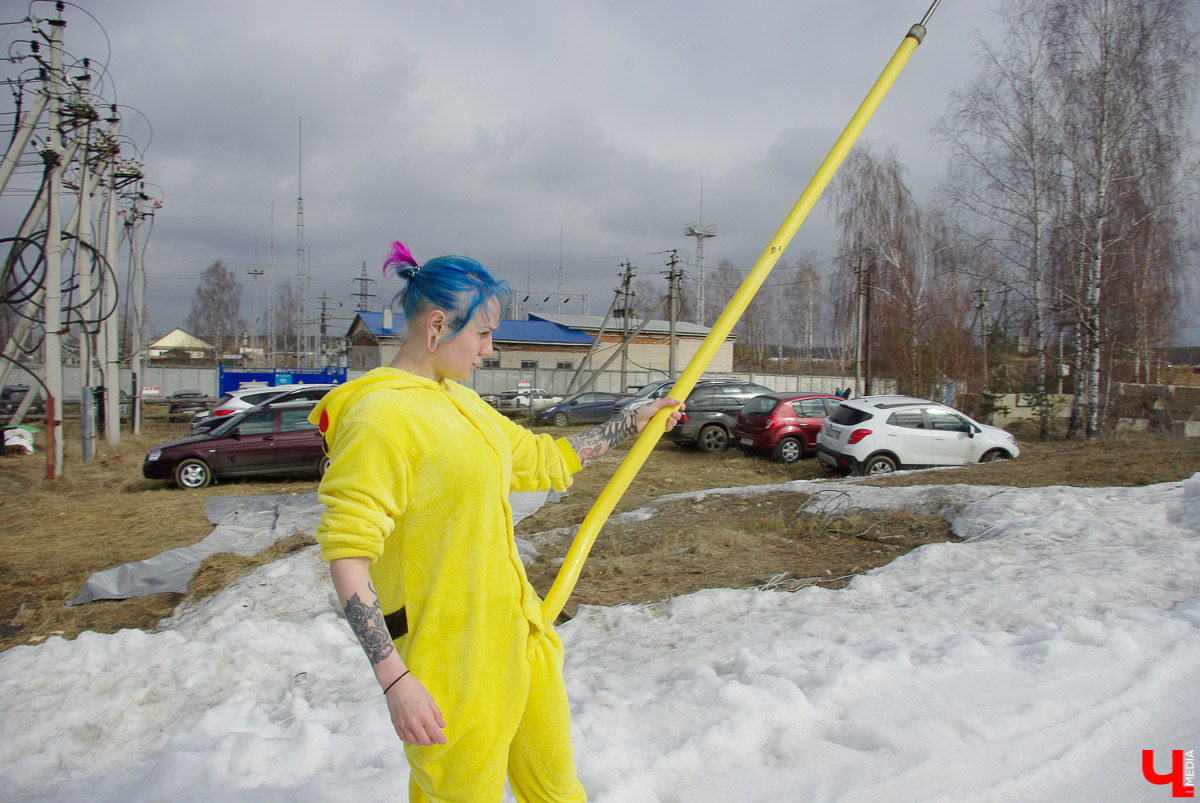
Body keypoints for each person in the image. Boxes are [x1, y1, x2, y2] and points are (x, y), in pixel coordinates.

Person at [311, 241, 683, 803]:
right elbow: (347, 555)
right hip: (449, 659)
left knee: (556, 789)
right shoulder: (380, 417)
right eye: (482, 334)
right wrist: (394, 679)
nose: (490, 348)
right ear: (437, 326)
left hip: (518, 633)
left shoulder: (462, 404)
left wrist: (630, 421)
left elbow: (543, 460)